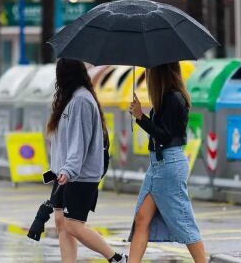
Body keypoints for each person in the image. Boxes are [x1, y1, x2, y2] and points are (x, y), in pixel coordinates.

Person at [47, 58, 128, 263]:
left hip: (80, 173)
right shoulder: (68, 99)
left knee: (73, 224)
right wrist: (58, 169)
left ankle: (117, 258)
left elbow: (79, 141)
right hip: (65, 171)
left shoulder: (81, 100)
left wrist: (69, 169)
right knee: (61, 221)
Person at [128, 62, 207, 262]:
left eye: (149, 71)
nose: (146, 76)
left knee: (184, 222)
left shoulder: (174, 99)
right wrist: (142, 116)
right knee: (142, 219)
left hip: (169, 165)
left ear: (158, 73)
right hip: (158, 166)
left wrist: (140, 117)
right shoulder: (164, 99)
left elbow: (165, 136)